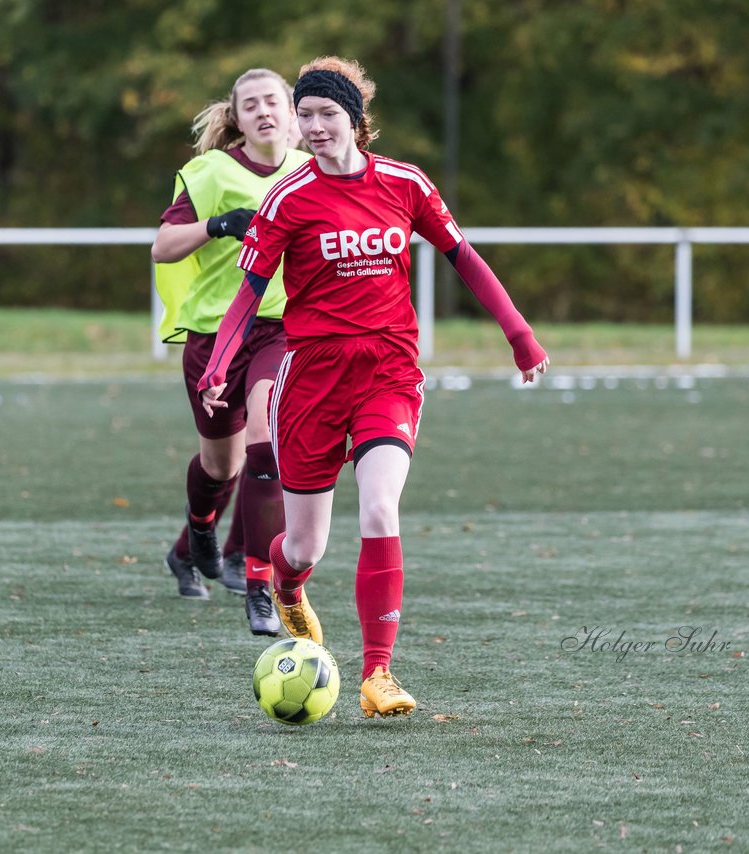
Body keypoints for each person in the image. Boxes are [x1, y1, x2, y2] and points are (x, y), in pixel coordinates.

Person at [198, 57, 549, 717]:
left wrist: (519, 334)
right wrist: (220, 362)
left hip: (389, 371)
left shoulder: (405, 183)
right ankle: (287, 581)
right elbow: (248, 293)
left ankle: (378, 673)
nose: (314, 126)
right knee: (304, 547)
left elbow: (463, 258)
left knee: (381, 509)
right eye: (306, 116)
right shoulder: (287, 199)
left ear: (356, 120)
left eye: (327, 114)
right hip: (312, 382)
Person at [152, 68, 311, 636]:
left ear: (293, 113)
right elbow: (162, 248)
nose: (264, 111)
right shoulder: (210, 171)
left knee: (266, 440)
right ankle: (193, 536)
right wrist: (217, 225)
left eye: (274, 101)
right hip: (216, 336)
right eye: (251, 105)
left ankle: (259, 586)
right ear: (237, 119)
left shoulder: (311, 173)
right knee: (223, 464)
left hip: (282, 331)